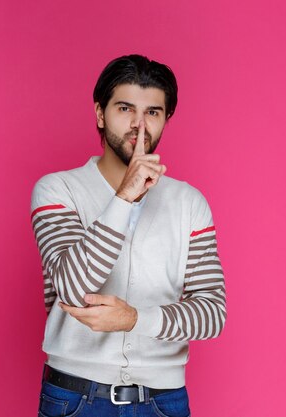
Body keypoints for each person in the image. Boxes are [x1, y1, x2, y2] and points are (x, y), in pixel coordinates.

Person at [30, 54, 227, 417]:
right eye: (125, 108)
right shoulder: (58, 190)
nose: (139, 125)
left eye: (153, 112)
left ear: (167, 119)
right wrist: (124, 196)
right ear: (100, 113)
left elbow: (212, 313)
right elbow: (73, 288)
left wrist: (136, 319)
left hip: (162, 400)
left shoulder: (189, 202)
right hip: (75, 397)